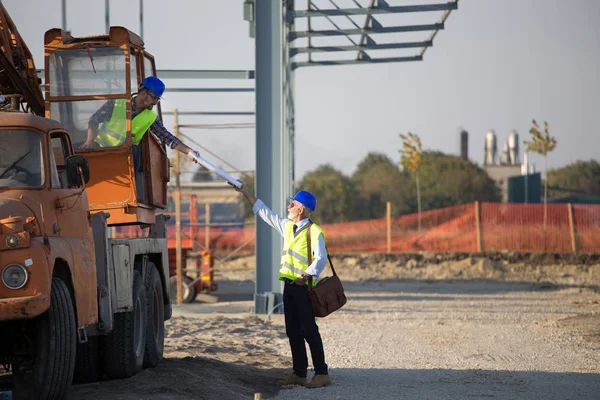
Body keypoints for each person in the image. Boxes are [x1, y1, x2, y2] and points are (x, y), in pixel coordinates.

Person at [234, 183, 331, 389]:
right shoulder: (288, 227)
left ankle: (322, 373)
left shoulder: (314, 231)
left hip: (303, 287)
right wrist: (245, 192)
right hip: (289, 286)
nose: (288, 207)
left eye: (292, 204)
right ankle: (299, 373)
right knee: (293, 330)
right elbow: (264, 212)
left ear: (301, 209)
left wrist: (305, 276)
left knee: (309, 330)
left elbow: (321, 259)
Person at [80, 76, 200, 172]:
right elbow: (94, 120)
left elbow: (168, 138)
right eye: (154, 98)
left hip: (126, 159)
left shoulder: (151, 117)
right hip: (101, 149)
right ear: (143, 93)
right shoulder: (117, 103)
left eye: (157, 99)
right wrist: (89, 141)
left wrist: (189, 152)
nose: (155, 102)